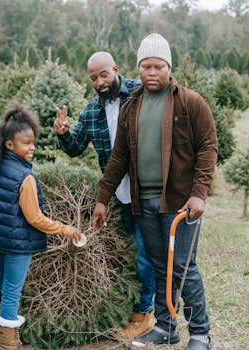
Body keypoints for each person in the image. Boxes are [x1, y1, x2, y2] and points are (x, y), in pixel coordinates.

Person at [92, 33, 217, 350]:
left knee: (184, 269)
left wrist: (199, 193)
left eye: (158, 66)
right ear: (138, 68)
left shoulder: (189, 102)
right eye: (145, 66)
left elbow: (208, 148)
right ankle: (165, 327)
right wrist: (102, 200)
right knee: (161, 267)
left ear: (168, 67)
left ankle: (201, 333)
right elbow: (118, 157)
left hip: (179, 204)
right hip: (144, 203)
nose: (151, 72)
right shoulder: (131, 107)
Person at [0, 103, 81, 350]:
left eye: (33, 141)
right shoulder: (25, 177)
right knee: (11, 291)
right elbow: (35, 218)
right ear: (9, 144)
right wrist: (67, 229)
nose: (32, 147)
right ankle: (8, 346)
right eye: (26, 143)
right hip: (16, 246)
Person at [53, 51, 156, 338]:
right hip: (117, 195)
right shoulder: (91, 112)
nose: (99, 82)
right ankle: (136, 304)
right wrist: (62, 133)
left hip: (145, 189)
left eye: (104, 75)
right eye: (93, 78)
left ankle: (145, 311)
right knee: (130, 253)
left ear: (115, 70)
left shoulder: (138, 92)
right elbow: (74, 148)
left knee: (145, 252)